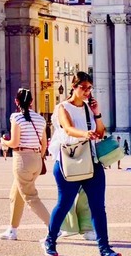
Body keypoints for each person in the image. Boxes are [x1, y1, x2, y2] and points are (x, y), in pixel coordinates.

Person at [43, 72, 119, 256]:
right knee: (64, 204)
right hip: (68, 163)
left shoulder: (88, 108)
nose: (86, 91)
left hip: (92, 163)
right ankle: (50, 241)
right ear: (73, 86)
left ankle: (105, 248)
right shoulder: (63, 107)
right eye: (83, 87)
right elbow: (68, 128)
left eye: (89, 88)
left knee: (98, 208)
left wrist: (97, 113)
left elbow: (100, 132)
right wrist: (85, 134)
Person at [0, 88, 51, 241]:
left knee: (31, 197)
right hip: (36, 159)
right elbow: (44, 144)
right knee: (15, 195)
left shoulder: (16, 117)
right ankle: (12, 230)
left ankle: (53, 227)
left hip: (22, 159)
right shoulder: (40, 119)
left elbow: (14, 142)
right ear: (32, 102)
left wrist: (3, 142)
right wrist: (38, 157)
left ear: (16, 101)